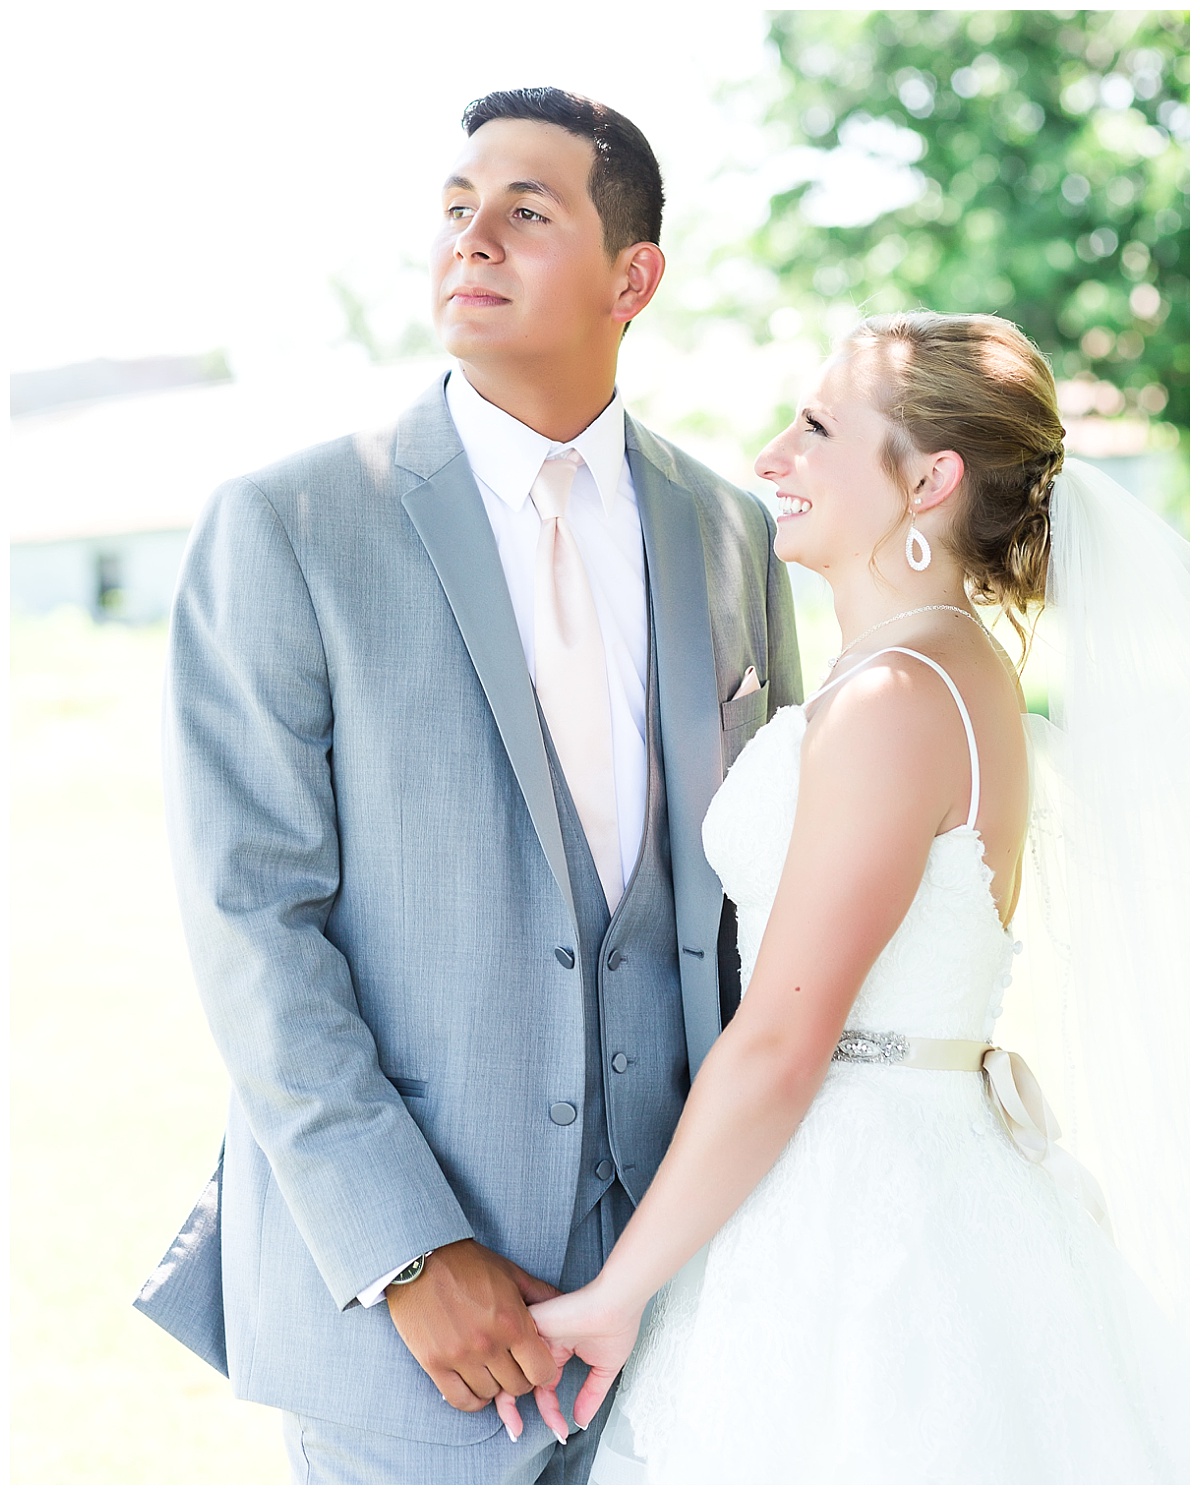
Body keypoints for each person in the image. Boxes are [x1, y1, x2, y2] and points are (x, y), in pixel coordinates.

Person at [132, 86, 803, 1484]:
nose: (471, 237)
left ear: (636, 277)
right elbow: (250, 919)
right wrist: (407, 1249)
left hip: (687, 1305)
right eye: (454, 207)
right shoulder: (294, 524)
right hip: (417, 1328)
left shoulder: (730, 532)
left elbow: (759, 901)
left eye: (526, 209)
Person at [507, 311, 1188, 1483]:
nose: (773, 456)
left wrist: (618, 1295)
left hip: (860, 1219)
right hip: (927, 1165)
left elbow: (780, 1039)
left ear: (929, 480)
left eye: (818, 427)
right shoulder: (948, 668)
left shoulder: (896, 700)